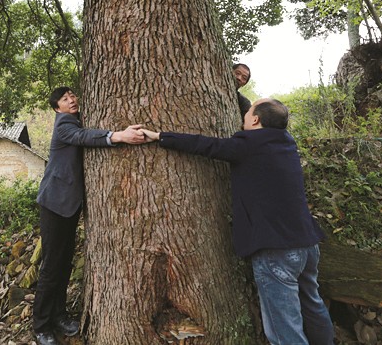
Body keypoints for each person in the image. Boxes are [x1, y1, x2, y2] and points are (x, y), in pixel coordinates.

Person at [141, 99, 334, 345]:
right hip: (307, 244)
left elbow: (206, 145)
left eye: (249, 111)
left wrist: (160, 136)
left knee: (284, 326)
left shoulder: (250, 144)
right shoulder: (286, 143)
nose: (244, 114)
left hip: (277, 249)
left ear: (255, 120)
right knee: (312, 305)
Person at [33, 86, 147, 345]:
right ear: (56, 108)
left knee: (63, 264)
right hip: (54, 202)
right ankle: (41, 326)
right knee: (51, 266)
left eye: (72, 96)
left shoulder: (77, 118)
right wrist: (118, 136)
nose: (71, 100)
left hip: (69, 204)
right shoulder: (64, 124)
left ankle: (59, 316)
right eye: (64, 99)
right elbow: (83, 136)